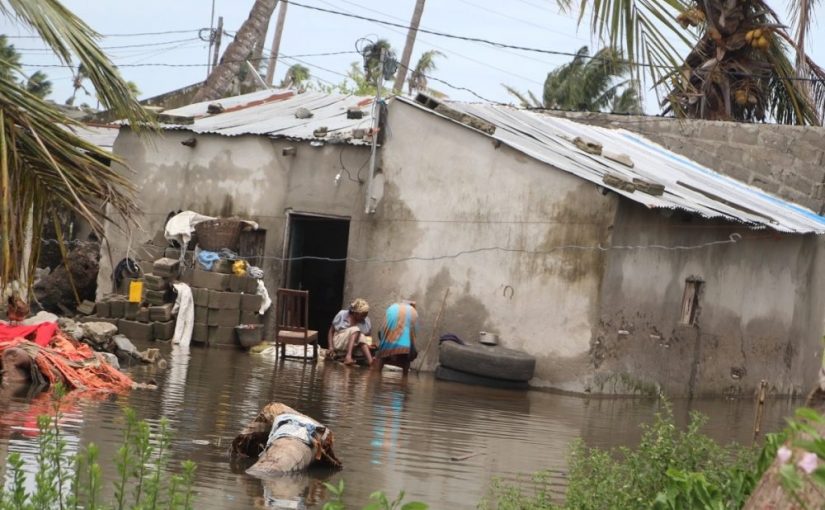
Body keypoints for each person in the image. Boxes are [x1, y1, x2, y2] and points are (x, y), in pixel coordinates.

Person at [373, 301, 418, 375]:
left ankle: (377, 374)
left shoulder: (392, 309)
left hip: (387, 346)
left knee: (381, 354)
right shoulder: (413, 312)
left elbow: (380, 332)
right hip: (404, 349)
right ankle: (404, 378)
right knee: (409, 354)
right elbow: (413, 336)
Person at [328, 298, 373, 366]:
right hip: (339, 342)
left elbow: (367, 337)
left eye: (366, 315)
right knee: (356, 329)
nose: (364, 317)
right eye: (362, 315)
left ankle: (371, 362)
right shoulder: (342, 314)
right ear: (355, 313)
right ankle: (348, 357)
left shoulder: (366, 320)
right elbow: (331, 331)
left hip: (354, 347)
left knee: (361, 335)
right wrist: (331, 347)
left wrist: (369, 345)